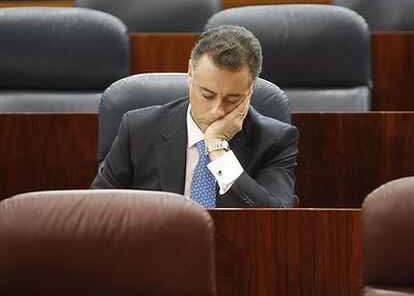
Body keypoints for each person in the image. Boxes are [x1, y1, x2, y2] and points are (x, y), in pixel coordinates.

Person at [91, 25, 299, 208]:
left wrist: (217, 148)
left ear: (250, 89)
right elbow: (97, 211)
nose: (217, 110)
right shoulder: (139, 129)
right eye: (207, 94)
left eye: (232, 99)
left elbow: (275, 218)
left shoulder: (275, 140)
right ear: (190, 74)